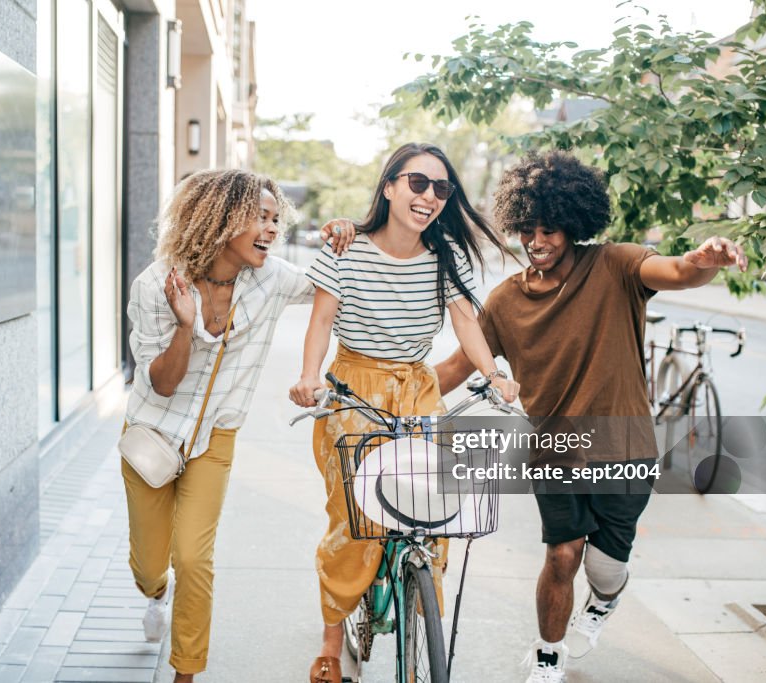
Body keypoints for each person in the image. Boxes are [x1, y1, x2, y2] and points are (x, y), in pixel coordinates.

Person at [433, 151, 747, 683]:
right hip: (553, 452)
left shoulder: (616, 265)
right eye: (527, 229)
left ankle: (604, 601)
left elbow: (675, 271)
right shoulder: (506, 303)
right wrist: (397, 396)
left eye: (550, 229)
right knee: (562, 555)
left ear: (574, 224)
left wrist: (703, 260)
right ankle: (548, 654)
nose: (537, 241)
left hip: (625, 449)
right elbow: (460, 365)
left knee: (603, 570)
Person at [288, 142, 521, 683]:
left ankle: (420, 615)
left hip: (417, 390)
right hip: (355, 389)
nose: (430, 196)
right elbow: (321, 321)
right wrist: (308, 376)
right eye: (418, 183)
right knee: (357, 520)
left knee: (432, 512)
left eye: (442, 188)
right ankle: (330, 639)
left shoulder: (447, 257)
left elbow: (466, 323)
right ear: (390, 186)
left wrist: (494, 375)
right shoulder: (345, 249)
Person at [123, 169, 355, 682]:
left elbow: (327, 277)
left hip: (215, 438)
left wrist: (345, 229)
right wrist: (186, 325)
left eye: (277, 220)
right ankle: (154, 594)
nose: (273, 231)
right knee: (149, 564)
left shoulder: (269, 278)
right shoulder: (156, 284)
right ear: (220, 218)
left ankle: (185, 673)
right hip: (153, 434)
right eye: (261, 218)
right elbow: (162, 383)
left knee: (194, 558)